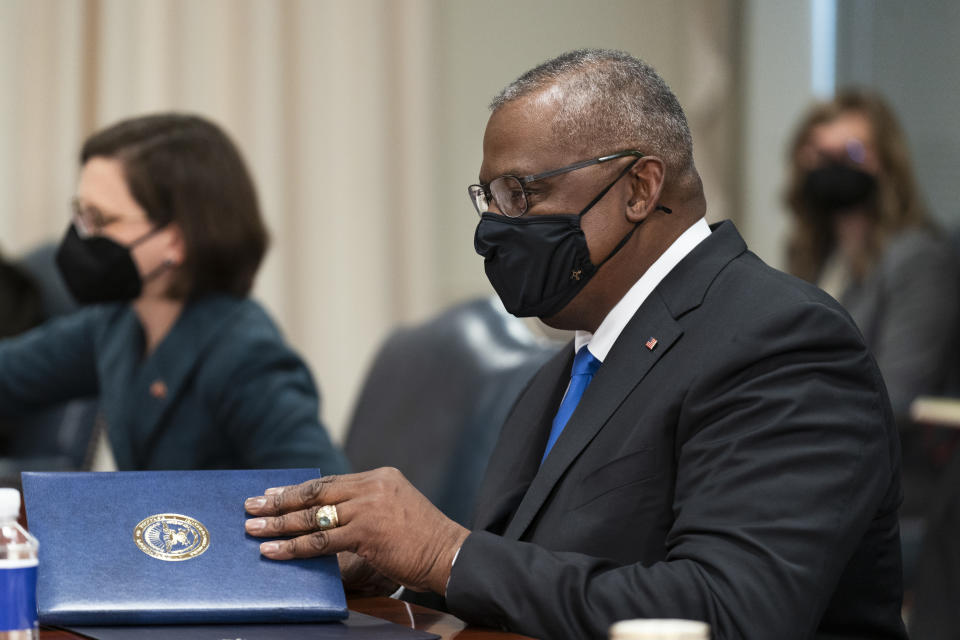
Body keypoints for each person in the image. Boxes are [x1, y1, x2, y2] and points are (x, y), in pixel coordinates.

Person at [244, 50, 905, 639]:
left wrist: (444, 551)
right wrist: (390, 569)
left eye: (523, 193)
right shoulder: (568, 366)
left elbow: (728, 612)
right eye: (492, 198)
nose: (494, 230)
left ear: (640, 189)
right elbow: (529, 578)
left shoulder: (782, 340)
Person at [0, 114, 348, 474]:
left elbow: (328, 494)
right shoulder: (118, 323)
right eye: (80, 214)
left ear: (176, 240)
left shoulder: (244, 352)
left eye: (100, 219)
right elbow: (9, 375)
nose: (81, 236)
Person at [783, 90, 960, 542]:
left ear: (887, 164)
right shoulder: (815, 258)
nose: (833, 167)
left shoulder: (918, 258)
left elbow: (893, 396)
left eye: (852, 153)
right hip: (818, 472)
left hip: (893, 489)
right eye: (820, 154)